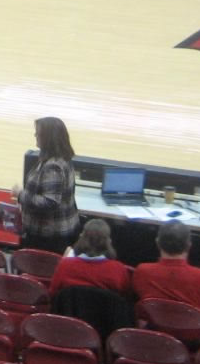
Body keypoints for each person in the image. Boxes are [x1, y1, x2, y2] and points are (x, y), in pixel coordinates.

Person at [133, 221, 200, 319]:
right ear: (189, 245)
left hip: (155, 330)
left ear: (157, 243)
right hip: (196, 334)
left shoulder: (142, 271)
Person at [15, 116, 79, 253]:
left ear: (48, 137)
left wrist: (21, 195)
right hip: (52, 233)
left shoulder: (53, 166)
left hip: (49, 237)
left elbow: (50, 202)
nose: (35, 135)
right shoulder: (58, 159)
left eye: (38, 133)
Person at [50, 218, 133, 296]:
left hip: (68, 311)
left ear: (81, 238)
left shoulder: (65, 265)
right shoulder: (118, 269)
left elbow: (52, 293)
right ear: (109, 242)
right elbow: (125, 297)